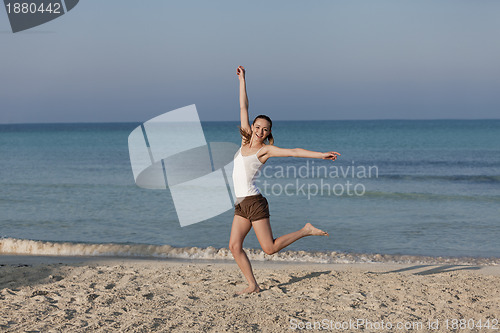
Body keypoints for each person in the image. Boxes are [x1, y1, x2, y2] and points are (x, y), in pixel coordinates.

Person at [229, 65, 341, 294]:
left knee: (269, 249)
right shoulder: (244, 142)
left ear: (268, 134)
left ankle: (305, 230)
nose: (260, 131)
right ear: (252, 127)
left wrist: (320, 155)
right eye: (257, 127)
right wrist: (243, 80)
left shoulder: (265, 151)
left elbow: (295, 151)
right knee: (234, 246)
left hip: (254, 202)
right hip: (241, 203)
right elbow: (243, 106)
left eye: (265, 130)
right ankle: (253, 285)